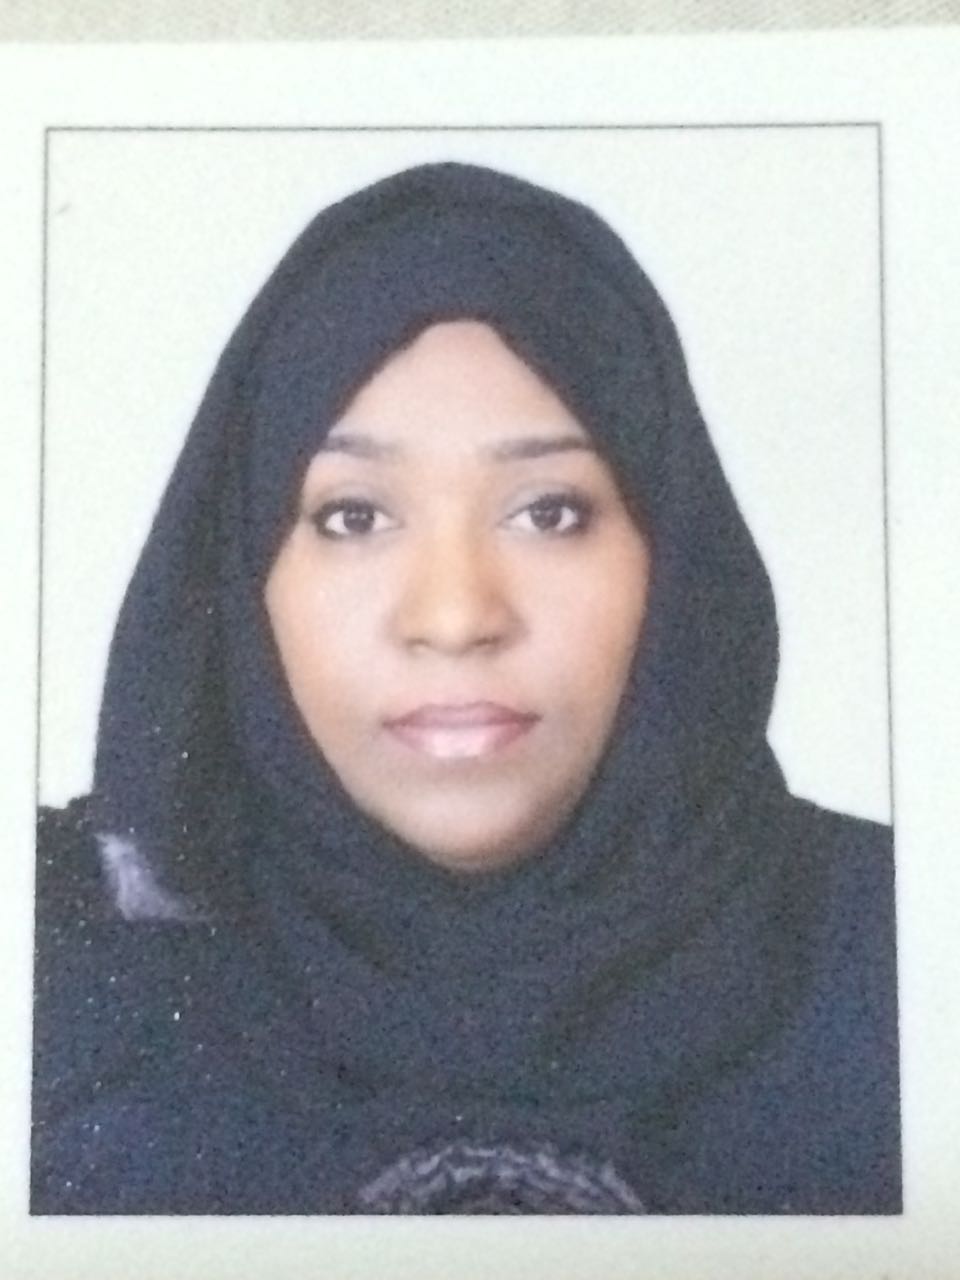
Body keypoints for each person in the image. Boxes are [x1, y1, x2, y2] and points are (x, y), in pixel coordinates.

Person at [32, 161, 900, 1215]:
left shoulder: (904, 945)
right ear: (243, 567)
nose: (454, 616)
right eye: (354, 516)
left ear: (672, 553)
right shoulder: (55, 956)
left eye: (548, 512)